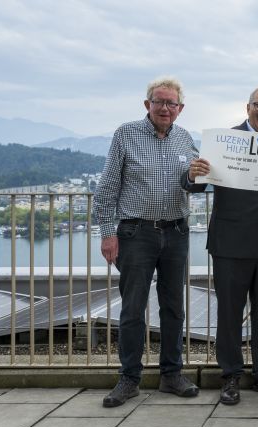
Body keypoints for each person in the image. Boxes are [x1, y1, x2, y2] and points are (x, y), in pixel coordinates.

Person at [93, 76, 200, 407]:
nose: (165, 108)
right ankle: (129, 378)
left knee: (173, 307)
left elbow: (193, 185)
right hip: (135, 232)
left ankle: (171, 375)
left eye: (171, 103)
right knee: (132, 308)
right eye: (159, 101)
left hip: (177, 232)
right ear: (147, 105)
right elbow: (108, 187)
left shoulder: (186, 139)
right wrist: (107, 233)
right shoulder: (126, 134)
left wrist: (196, 177)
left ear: (180, 109)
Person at [184, 85, 258, 405]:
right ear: (248, 108)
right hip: (230, 243)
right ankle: (230, 375)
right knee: (229, 314)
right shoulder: (223, 142)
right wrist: (193, 174)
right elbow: (196, 186)